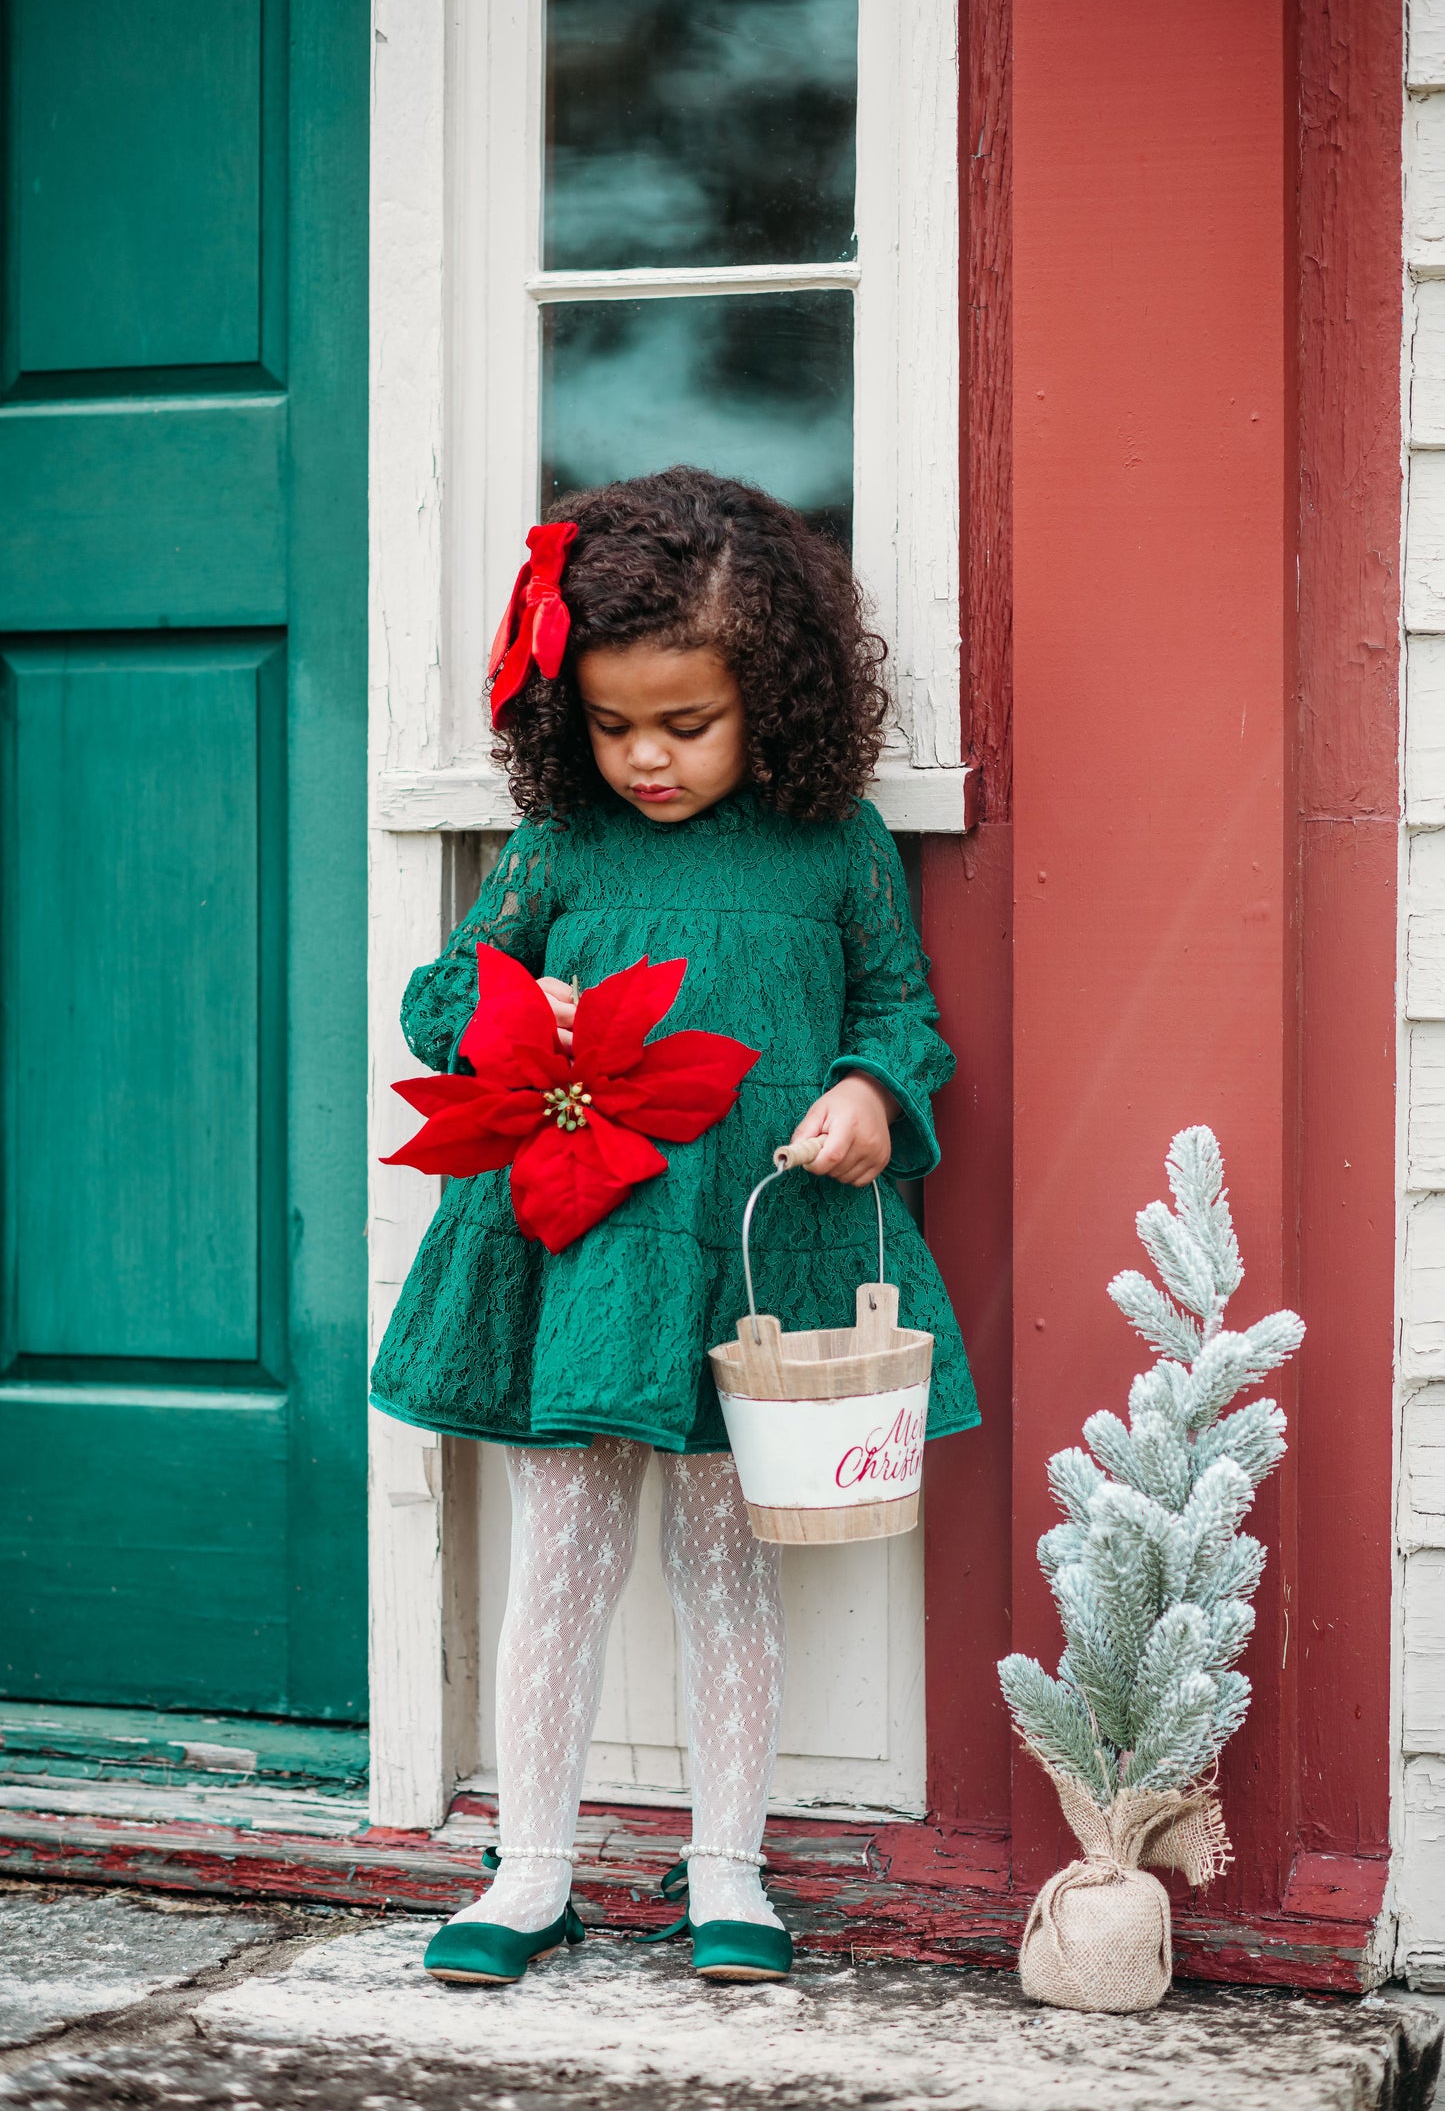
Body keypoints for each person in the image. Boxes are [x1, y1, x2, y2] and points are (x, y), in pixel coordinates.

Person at [371, 466, 978, 1987]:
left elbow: (900, 1010)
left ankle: (727, 1870)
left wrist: (866, 1094)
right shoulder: (562, 846)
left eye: (685, 725)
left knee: (725, 1556)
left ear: (769, 693)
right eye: (611, 723)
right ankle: (531, 1873)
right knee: (561, 1553)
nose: (645, 757)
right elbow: (440, 998)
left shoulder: (830, 841)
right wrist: (518, 1006)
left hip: (758, 1259)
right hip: (587, 1247)